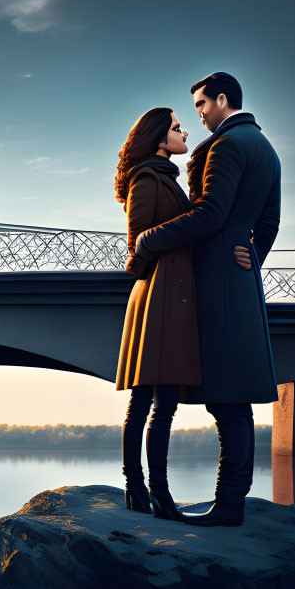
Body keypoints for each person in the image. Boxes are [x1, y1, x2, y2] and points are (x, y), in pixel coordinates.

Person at [132, 72, 281, 527]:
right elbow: (270, 221)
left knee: (227, 399)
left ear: (222, 99)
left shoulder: (226, 146)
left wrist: (149, 240)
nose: (198, 113)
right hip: (239, 278)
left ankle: (228, 506)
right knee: (233, 396)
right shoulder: (267, 148)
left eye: (201, 104)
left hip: (215, 278)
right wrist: (252, 254)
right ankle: (231, 502)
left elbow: (210, 214)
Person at [113, 106, 201, 522]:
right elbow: (136, 251)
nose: (184, 132)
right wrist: (166, 255)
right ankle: (137, 486)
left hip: (175, 296)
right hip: (156, 297)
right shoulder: (146, 179)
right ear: (159, 139)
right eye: (177, 128)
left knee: (165, 402)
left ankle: (161, 493)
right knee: (144, 400)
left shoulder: (170, 179)